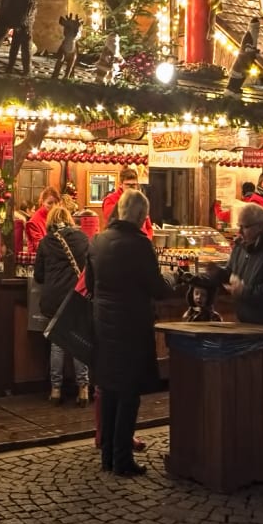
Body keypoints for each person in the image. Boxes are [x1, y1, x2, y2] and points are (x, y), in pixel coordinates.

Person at [88, 189, 170, 477]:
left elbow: (89, 281)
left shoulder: (98, 240)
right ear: (140, 216)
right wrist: (172, 281)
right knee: (129, 394)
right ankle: (122, 460)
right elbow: (156, 287)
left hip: (103, 325)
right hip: (131, 326)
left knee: (109, 390)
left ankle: (108, 456)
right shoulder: (140, 244)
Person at [32, 202, 91, 404]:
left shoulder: (46, 242)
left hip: (53, 299)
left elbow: (38, 275)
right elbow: (89, 269)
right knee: (77, 343)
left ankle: (55, 390)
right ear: (69, 219)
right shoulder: (83, 238)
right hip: (76, 296)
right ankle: (83, 390)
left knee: (57, 344)